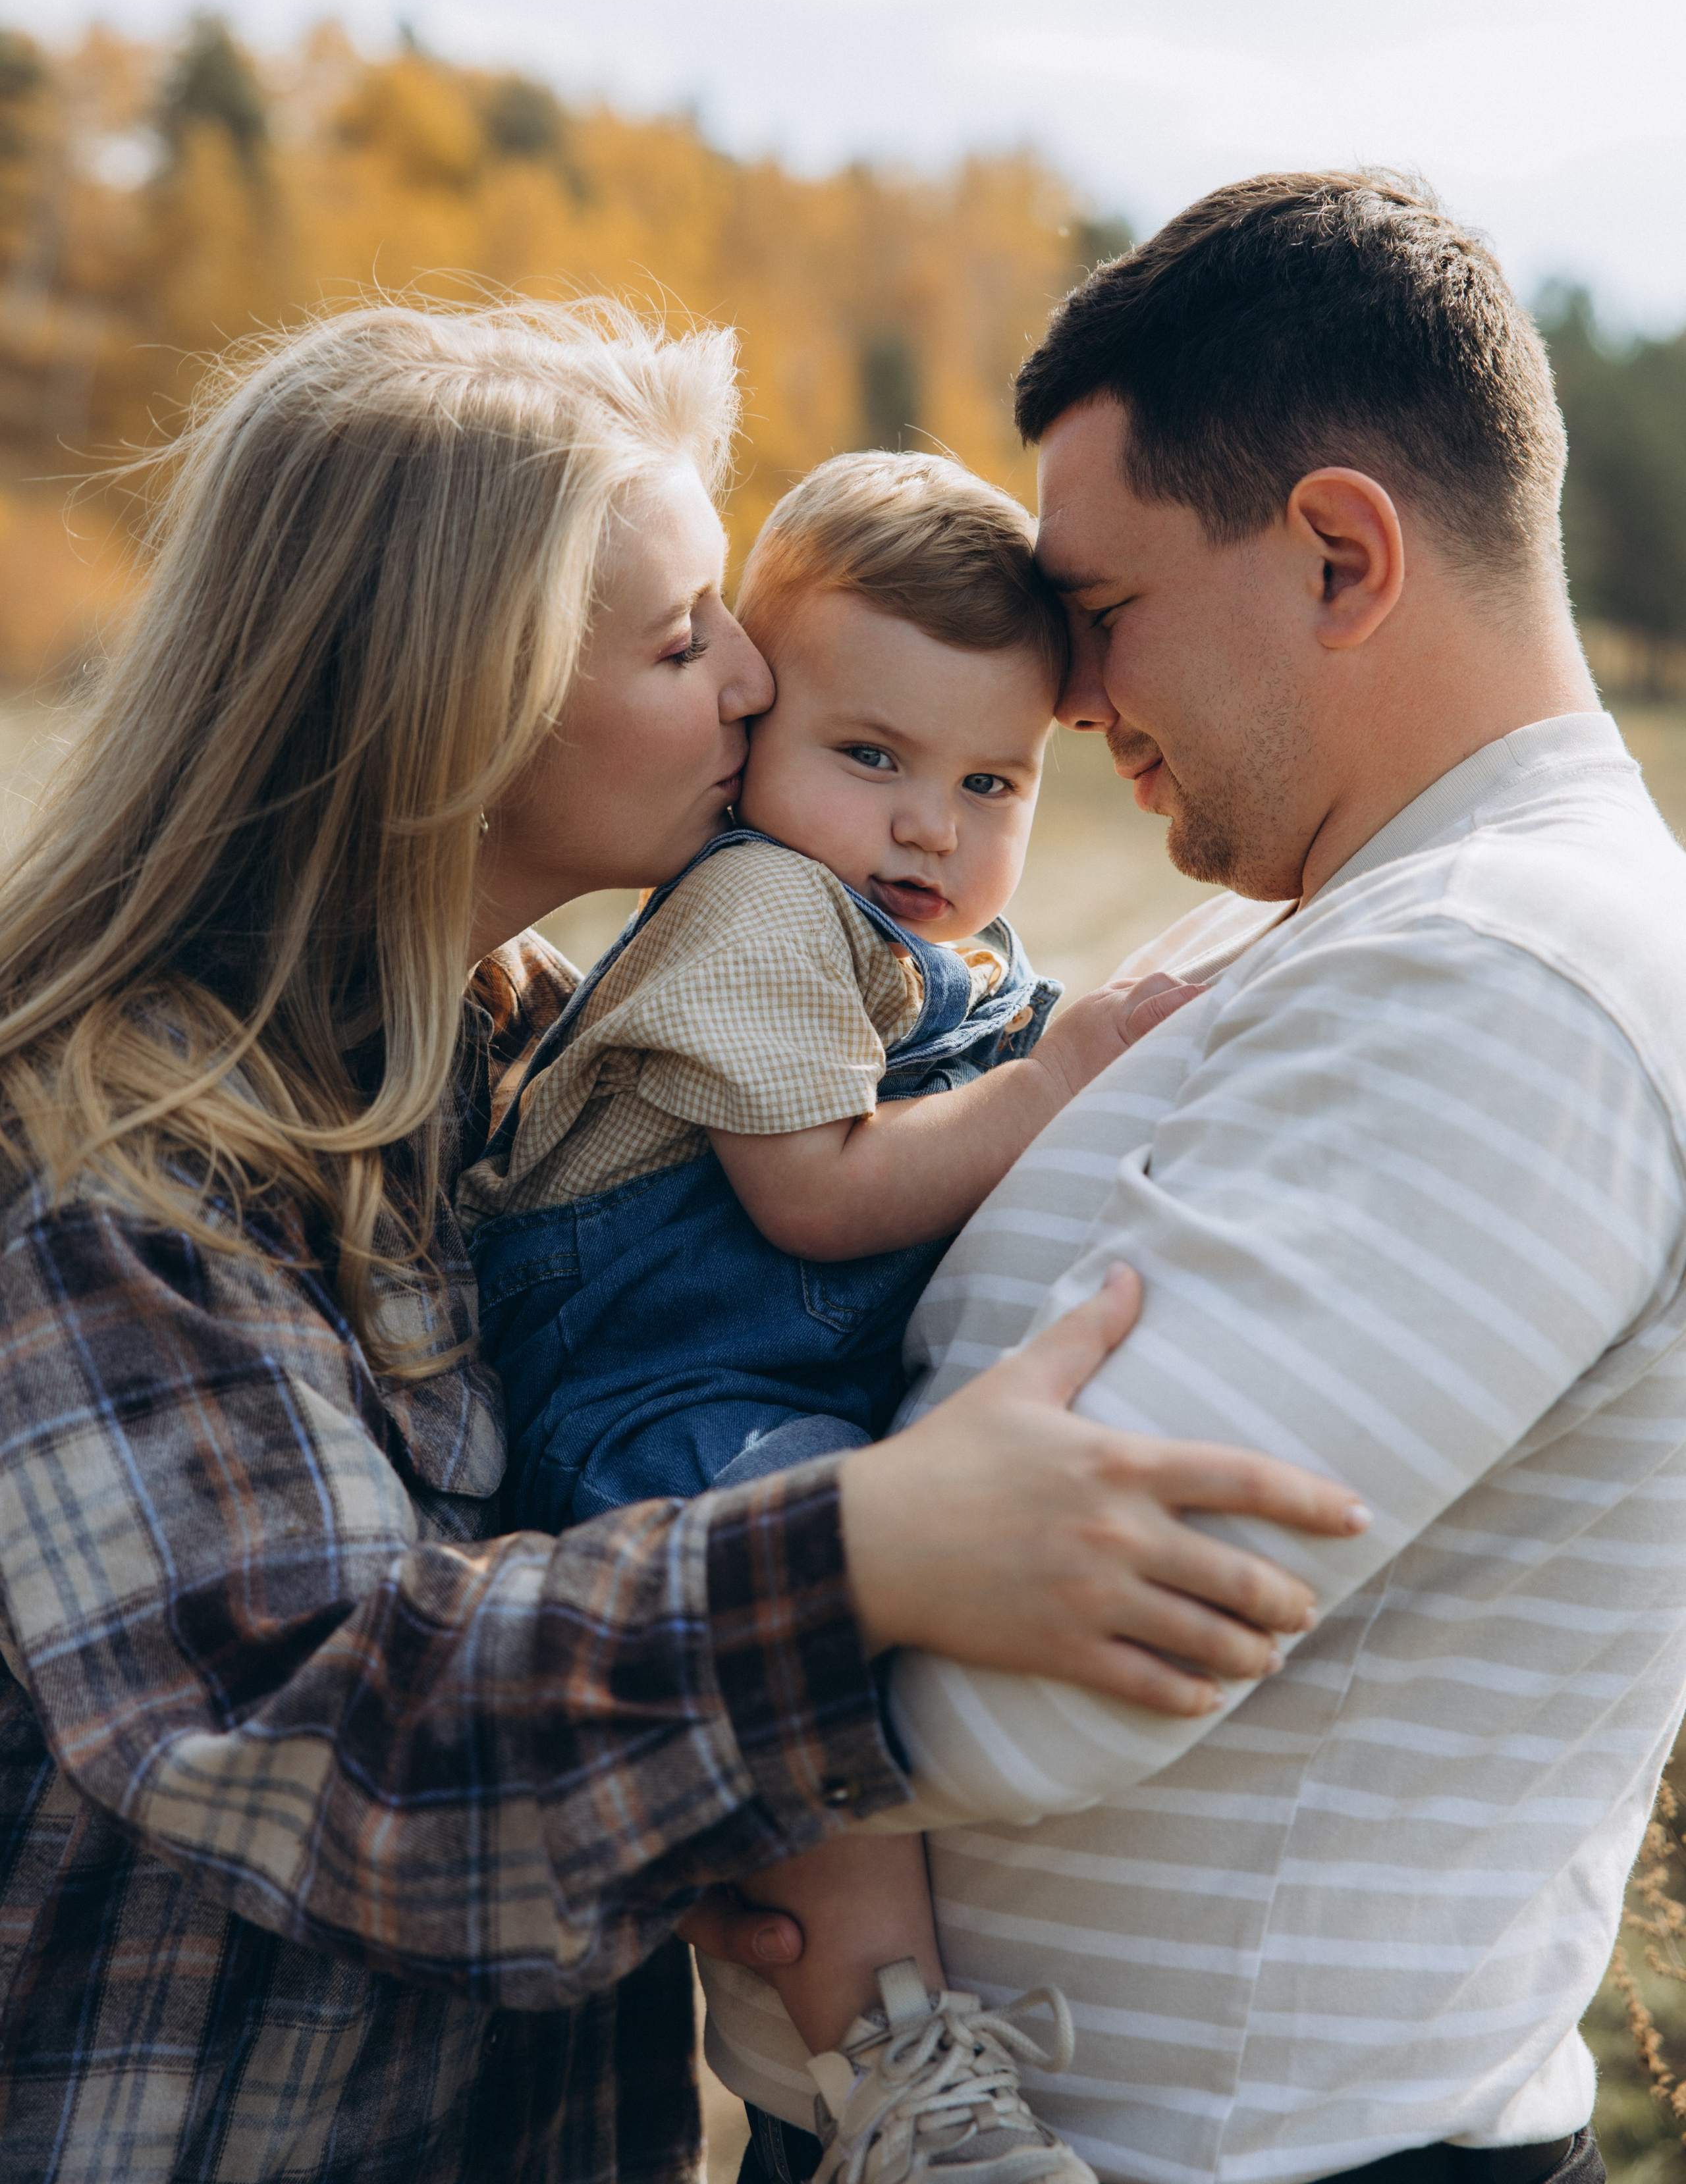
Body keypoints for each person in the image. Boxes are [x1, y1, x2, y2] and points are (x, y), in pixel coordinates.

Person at [0, 296, 1361, 2184]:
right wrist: (867, 1552)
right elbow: (314, 1743)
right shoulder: (111, 1162)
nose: (748, 674)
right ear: (456, 703)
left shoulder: (527, 1057)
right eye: (680, 634)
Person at [705, 171, 1686, 2184]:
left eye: (1106, 610)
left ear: (1340, 555)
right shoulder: (1338, 918)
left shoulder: (1513, 976)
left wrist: (626, 1726)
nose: (1065, 698)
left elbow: (1041, 1690)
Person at [460, 452, 1203, 2184]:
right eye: (870, 757)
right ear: (755, 727)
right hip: (648, 1391)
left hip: (756, 1374)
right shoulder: (763, 904)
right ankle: (900, 2077)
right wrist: (1054, 1083)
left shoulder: (916, 925)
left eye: (989, 780)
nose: (931, 825)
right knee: (805, 1613)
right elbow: (819, 1197)